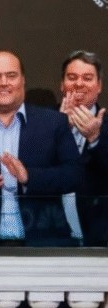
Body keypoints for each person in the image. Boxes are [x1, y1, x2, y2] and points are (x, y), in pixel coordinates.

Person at [0, 51, 81, 246]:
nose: (3, 83)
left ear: (23, 80)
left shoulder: (54, 122)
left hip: (43, 243)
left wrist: (29, 177)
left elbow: (74, 175)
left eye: (11, 76)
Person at [58, 50, 108, 246]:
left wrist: (95, 138)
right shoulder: (43, 123)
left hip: (100, 238)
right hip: (53, 235)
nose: (79, 84)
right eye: (72, 78)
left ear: (99, 86)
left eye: (87, 78)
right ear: (62, 85)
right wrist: (59, 129)